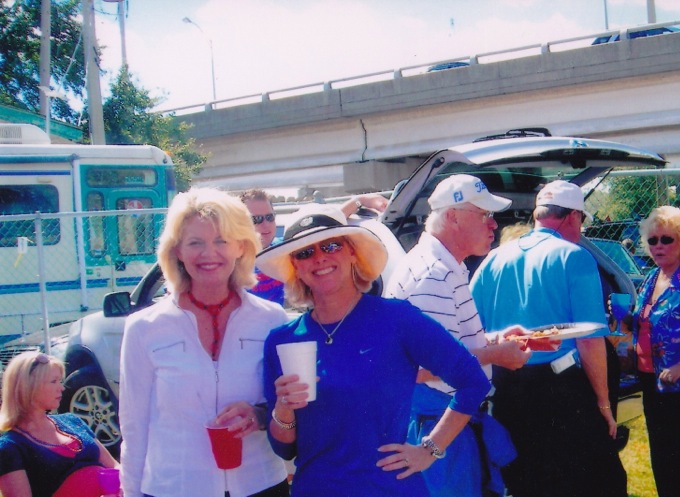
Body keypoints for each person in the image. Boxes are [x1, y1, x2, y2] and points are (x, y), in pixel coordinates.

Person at [256, 204, 491, 497]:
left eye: (330, 245)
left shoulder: (396, 319)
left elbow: (473, 381)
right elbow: (284, 447)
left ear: (352, 251)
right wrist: (283, 407)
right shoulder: (283, 340)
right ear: (296, 268)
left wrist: (429, 449)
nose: (319, 258)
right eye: (305, 253)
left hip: (389, 488)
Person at [119, 187, 290, 497]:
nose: (209, 254)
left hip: (260, 484)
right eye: (195, 242)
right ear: (177, 252)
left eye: (221, 241)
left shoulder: (272, 320)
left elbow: (288, 403)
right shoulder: (143, 329)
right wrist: (130, 491)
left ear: (241, 247)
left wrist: (260, 415)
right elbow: (134, 428)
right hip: (173, 488)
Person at [470, 180, 627, 497]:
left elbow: (473, 332)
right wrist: (603, 403)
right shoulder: (575, 257)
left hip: (506, 389)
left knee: (526, 481)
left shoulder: (492, 260)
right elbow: (589, 340)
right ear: (572, 217)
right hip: (560, 390)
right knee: (594, 482)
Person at [386, 175, 531, 497]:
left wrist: (492, 341)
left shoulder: (442, 267)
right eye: (485, 215)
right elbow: (421, 368)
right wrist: (495, 354)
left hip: (442, 424)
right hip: (437, 429)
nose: (494, 224)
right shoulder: (433, 274)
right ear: (452, 216)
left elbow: (443, 350)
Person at [625, 206, 680, 497]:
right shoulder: (651, 279)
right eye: (653, 240)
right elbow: (646, 323)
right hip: (653, 383)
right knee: (663, 460)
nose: (658, 246)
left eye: (666, 240)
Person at [0, 351, 120, 497]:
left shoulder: (72, 421)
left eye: (60, 381)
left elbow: (113, 466)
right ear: (29, 387)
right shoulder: (11, 447)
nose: (62, 388)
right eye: (54, 381)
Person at [240, 189, 389, 306]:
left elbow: (322, 226)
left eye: (269, 217)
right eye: (256, 219)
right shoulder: (229, 263)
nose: (265, 225)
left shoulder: (285, 250)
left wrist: (360, 200)